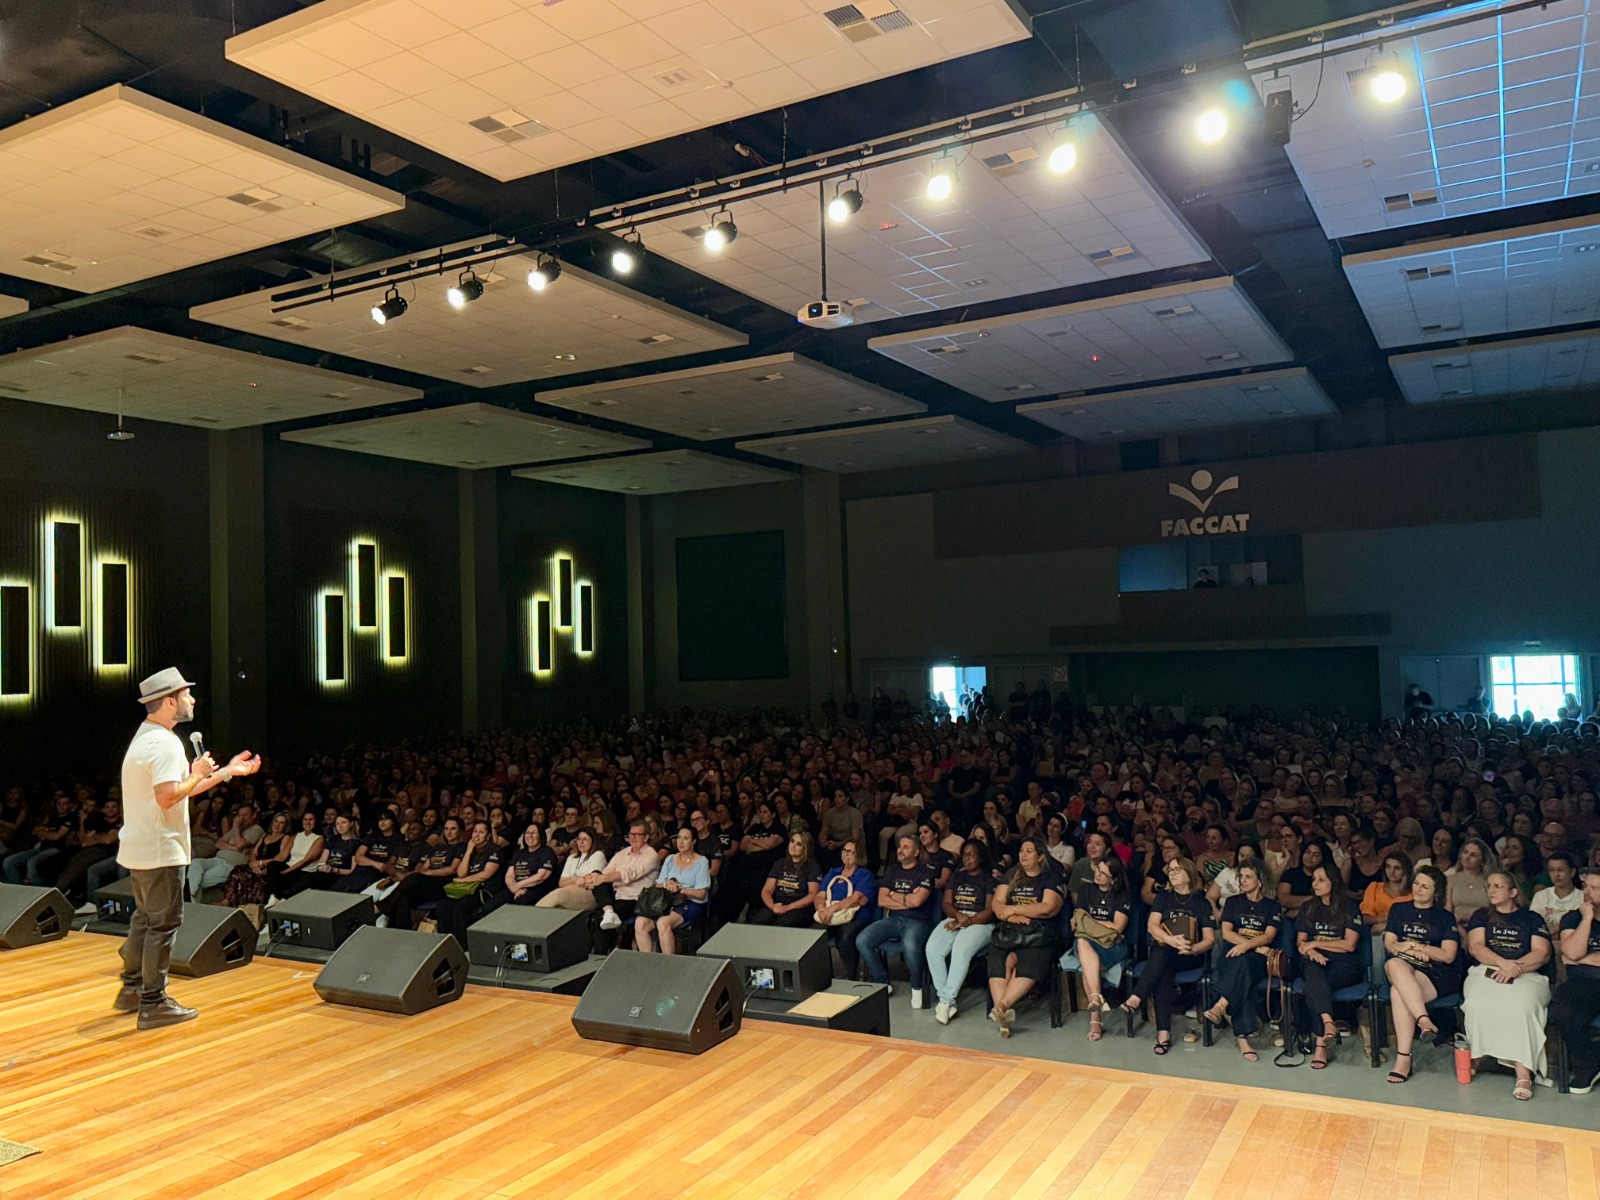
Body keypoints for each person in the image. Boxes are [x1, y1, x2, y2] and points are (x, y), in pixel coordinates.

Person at [114, 668, 259, 1030]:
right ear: (169, 702)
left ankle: (132, 990)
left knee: (145, 920)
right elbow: (168, 797)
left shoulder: (147, 737)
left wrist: (226, 772)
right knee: (163, 925)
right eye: (185, 695)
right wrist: (197, 772)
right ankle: (154, 1003)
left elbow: (180, 789)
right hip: (161, 850)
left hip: (141, 848)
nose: (192, 699)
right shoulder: (164, 744)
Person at [1463, 871, 1553, 1100]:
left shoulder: (1532, 918)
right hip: (1488, 968)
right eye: (1489, 886)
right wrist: (1502, 963)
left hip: (1527, 972)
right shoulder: (1481, 915)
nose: (1491, 890)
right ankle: (1477, 1055)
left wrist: (1515, 968)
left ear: (1513, 892)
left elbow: (1541, 953)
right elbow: (1475, 947)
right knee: (1476, 1003)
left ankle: (1524, 1071)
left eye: (1498, 886)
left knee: (1522, 1008)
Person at [1120, 857, 1215, 1052]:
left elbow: (1209, 939)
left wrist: (1193, 948)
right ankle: (1163, 1035)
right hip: (1166, 950)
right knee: (1162, 965)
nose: (1172, 873)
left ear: (1189, 874)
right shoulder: (1164, 897)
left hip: (1190, 954)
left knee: (1160, 958)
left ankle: (1137, 997)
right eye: (1170, 870)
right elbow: (1152, 926)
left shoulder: (1202, 902)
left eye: (1177, 870)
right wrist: (1171, 940)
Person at [1381, 865, 1461, 1084]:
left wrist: (1415, 946)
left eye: (1425, 887)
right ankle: (1424, 1019)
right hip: (1402, 965)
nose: (1418, 889)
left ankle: (1403, 1059)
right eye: (1416, 883)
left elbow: (1448, 955)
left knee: (1398, 993)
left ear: (1436, 892)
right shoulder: (1399, 909)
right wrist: (1407, 950)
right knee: (1394, 963)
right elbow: (1390, 945)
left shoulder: (1445, 917)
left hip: (1434, 972)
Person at [986, 837, 1065, 1038]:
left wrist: (1014, 909)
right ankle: (1003, 1014)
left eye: (1029, 851)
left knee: (1030, 959)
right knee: (998, 957)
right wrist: (1010, 916)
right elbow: (997, 904)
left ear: (1040, 857)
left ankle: (1001, 1007)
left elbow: (1048, 908)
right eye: (1021, 850)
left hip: (1040, 935)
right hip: (1010, 931)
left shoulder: (1051, 876)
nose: (1023, 854)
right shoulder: (1012, 874)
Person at [1205, 860, 1281, 1061]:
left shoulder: (1272, 906)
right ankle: (1241, 1037)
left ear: (1260, 880)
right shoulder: (1233, 902)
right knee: (1241, 972)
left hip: (1257, 960)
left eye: (1248, 877)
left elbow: (1269, 936)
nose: (1243, 880)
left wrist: (1247, 947)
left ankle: (1221, 1005)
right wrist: (1251, 946)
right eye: (1241, 876)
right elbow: (1227, 933)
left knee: (1243, 969)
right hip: (1233, 953)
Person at [1296, 862, 1363, 1069]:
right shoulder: (1307, 907)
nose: (1315, 884)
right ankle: (1326, 1030)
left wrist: (1316, 943)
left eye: (1321, 880)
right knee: (1312, 970)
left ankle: (1322, 1037)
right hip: (1314, 961)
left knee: (1313, 987)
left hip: (1344, 963)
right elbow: (1300, 943)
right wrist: (1311, 951)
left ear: (1333, 882)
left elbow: (1349, 945)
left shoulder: (1350, 907)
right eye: (1314, 880)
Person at [858, 833, 937, 1004]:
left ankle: (917, 987)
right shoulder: (892, 870)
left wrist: (894, 895)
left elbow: (917, 901)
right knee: (862, 940)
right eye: (900, 846)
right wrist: (908, 900)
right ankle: (882, 981)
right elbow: (882, 900)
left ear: (916, 852)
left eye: (906, 847)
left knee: (910, 945)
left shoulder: (926, 872)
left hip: (918, 922)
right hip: (893, 920)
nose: (900, 850)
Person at [926, 839, 996, 1025]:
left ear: (980, 858)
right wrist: (958, 916)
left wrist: (968, 921)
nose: (967, 858)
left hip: (980, 922)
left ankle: (946, 1001)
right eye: (964, 855)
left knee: (960, 949)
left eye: (972, 855)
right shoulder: (956, 876)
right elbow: (946, 903)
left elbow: (989, 912)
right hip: (955, 917)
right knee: (933, 949)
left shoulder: (988, 880)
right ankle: (946, 1000)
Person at [1551, 868, 1600, 1094]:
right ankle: (1591, 1061)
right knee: (1563, 1012)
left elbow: (1575, 957)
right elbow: (1571, 952)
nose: (1587, 892)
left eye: (1595, 888)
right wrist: (1587, 918)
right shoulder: (1573, 917)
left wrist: (1583, 958)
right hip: (1583, 982)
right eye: (1586, 886)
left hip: (1586, 973)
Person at [1074, 857, 1133, 1041]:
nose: (1097, 875)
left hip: (1112, 945)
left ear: (1113, 879)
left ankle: (1095, 1014)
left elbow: (1118, 927)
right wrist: (1104, 924)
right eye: (1097, 870)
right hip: (1087, 941)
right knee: (1082, 943)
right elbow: (1076, 921)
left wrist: (1090, 922)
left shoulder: (1122, 895)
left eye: (1103, 874)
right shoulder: (1086, 889)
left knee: (1087, 965)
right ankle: (1096, 1001)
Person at [635, 827, 709, 955]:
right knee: (640, 923)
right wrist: (667, 884)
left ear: (693, 841)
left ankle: (668, 962)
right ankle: (648, 961)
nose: (681, 842)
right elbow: (658, 884)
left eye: (686, 838)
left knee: (663, 923)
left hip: (690, 902)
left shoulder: (701, 861)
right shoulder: (670, 859)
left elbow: (702, 894)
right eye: (679, 837)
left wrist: (681, 889)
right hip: (668, 900)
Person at [434, 820, 502, 945]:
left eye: (481, 832)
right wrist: (468, 851)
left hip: (481, 890)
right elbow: (461, 873)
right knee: (443, 906)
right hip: (465, 889)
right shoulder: (469, 849)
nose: (477, 835)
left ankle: (463, 945)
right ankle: (445, 943)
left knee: (460, 908)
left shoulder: (494, 850)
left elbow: (485, 875)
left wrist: (463, 880)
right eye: (475, 831)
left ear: (488, 836)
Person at [816, 839, 875, 981]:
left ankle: (852, 977)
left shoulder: (864, 874)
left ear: (859, 855)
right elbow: (820, 895)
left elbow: (856, 898)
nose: (846, 854)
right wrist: (821, 908)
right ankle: (824, 977)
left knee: (843, 939)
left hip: (856, 916)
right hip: (831, 914)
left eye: (850, 852)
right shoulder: (833, 872)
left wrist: (832, 909)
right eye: (844, 851)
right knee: (815, 936)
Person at [184, 803, 262, 902]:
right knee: (196, 862)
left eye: (245, 815)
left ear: (253, 815)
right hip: (217, 859)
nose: (241, 818)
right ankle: (191, 897)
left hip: (230, 865)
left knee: (199, 880)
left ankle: (191, 900)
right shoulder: (235, 830)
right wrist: (234, 848)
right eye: (239, 815)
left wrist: (236, 827)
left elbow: (240, 844)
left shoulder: (256, 829)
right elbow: (218, 843)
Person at [749, 831, 822, 928]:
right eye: (792, 841)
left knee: (782, 925)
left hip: (799, 907)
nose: (793, 846)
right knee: (758, 922)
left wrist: (788, 907)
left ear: (806, 848)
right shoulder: (779, 863)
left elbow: (812, 895)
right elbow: (767, 890)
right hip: (777, 904)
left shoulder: (813, 867)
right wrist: (773, 906)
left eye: (799, 844)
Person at [535, 829, 608, 911]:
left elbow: (589, 881)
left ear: (593, 841)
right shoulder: (572, 857)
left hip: (591, 894)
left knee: (558, 894)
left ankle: (533, 914)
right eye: (579, 839)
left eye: (585, 839)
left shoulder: (598, 855)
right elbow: (561, 883)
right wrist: (575, 879)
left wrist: (573, 881)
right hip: (569, 893)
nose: (581, 842)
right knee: (556, 908)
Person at [500, 823, 559, 908]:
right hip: (514, 888)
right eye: (527, 833)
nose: (530, 836)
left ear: (540, 836)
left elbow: (541, 876)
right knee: (493, 905)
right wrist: (514, 888)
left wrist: (518, 886)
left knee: (518, 904)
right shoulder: (519, 853)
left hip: (535, 888)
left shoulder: (547, 852)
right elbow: (509, 875)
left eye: (533, 833)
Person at [1360, 851, 1413, 933]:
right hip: (1377, 933)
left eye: (1397, 868)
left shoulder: (1414, 891)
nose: (1391, 872)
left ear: (1405, 870)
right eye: (1388, 867)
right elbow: (1365, 918)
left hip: (1406, 933)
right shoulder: (1374, 887)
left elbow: (1417, 919)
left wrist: (1387, 925)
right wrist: (1386, 919)